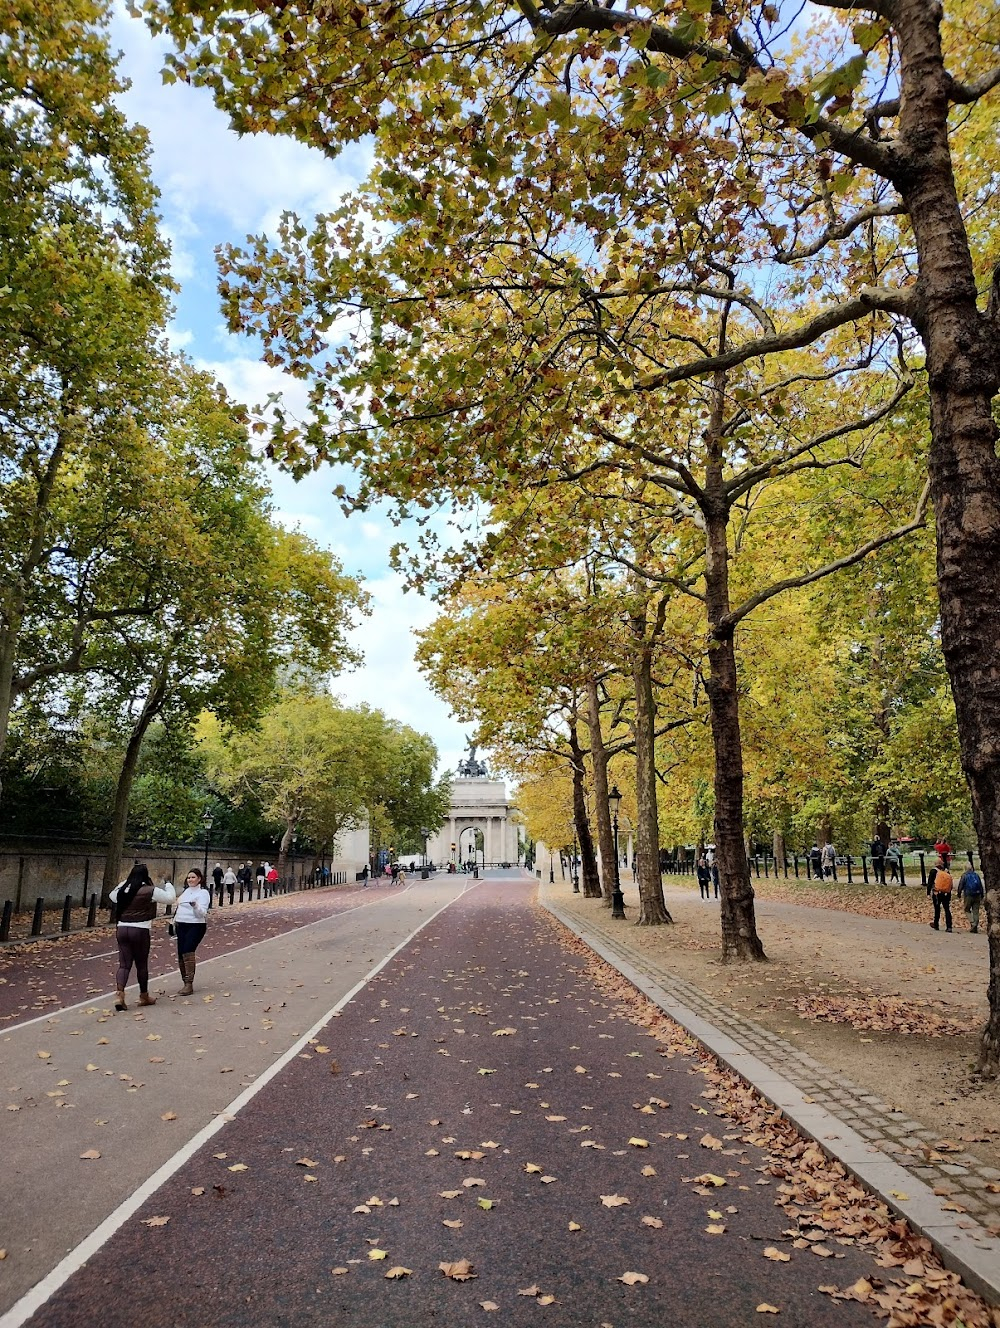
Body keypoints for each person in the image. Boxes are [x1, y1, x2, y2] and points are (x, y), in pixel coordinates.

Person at [109, 864, 176, 1012]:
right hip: (140, 929)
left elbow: (112, 896)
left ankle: (119, 994)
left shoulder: (123, 890)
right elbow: (171, 899)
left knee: (124, 965)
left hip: (122, 928)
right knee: (141, 964)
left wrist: (123, 883)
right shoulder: (149, 891)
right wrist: (168, 883)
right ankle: (144, 996)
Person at [173, 868, 211, 994]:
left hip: (195, 925)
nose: (190, 879)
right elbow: (178, 908)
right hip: (181, 924)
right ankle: (185, 982)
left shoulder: (203, 893)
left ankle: (189, 984)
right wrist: (173, 921)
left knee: (188, 950)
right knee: (180, 953)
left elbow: (202, 914)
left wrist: (195, 905)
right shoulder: (186, 892)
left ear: (199, 879)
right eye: (189, 877)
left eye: (193, 877)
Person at [957, 863, 985, 934]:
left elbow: (961, 885)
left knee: (967, 909)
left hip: (968, 895)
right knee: (976, 910)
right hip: (977, 894)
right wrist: (982, 894)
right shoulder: (976, 875)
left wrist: (959, 893)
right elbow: (980, 885)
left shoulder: (964, 875)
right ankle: (975, 925)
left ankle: (973, 923)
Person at [929, 857, 953, 932]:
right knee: (947, 909)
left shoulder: (933, 871)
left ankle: (936, 924)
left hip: (937, 893)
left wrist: (928, 892)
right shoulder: (946, 872)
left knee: (937, 909)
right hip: (946, 893)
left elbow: (930, 882)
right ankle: (949, 926)